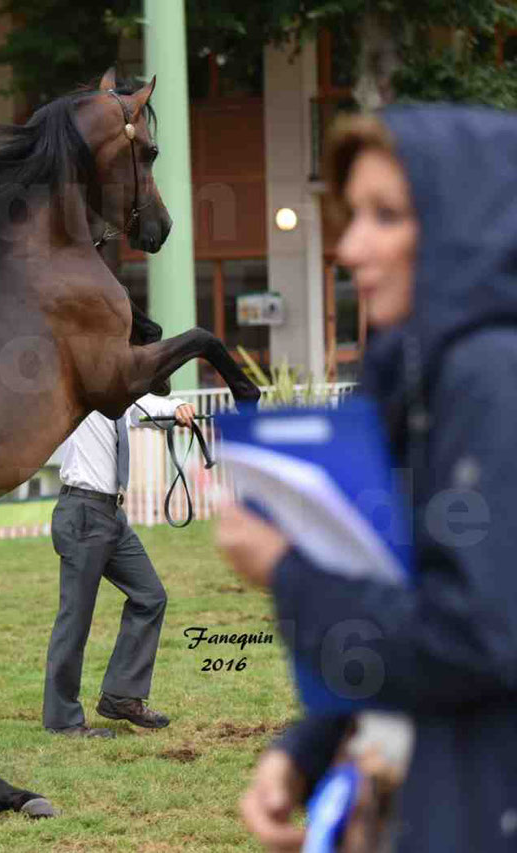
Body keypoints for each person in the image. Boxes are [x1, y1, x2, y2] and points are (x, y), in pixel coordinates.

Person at [217, 105, 517, 852]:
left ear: (461, 228)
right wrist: (308, 749)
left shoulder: (491, 375)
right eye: (353, 215)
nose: (350, 246)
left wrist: (286, 571)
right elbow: (412, 599)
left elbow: (477, 636)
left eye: (386, 216)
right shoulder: (422, 381)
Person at [43, 392, 196, 737]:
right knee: (75, 618)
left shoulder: (122, 399)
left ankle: (121, 697)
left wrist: (179, 407)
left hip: (111, 515)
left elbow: (150, 406)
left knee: (150, 595)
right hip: (81, 511)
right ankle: (63, 719)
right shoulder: (81, 396)